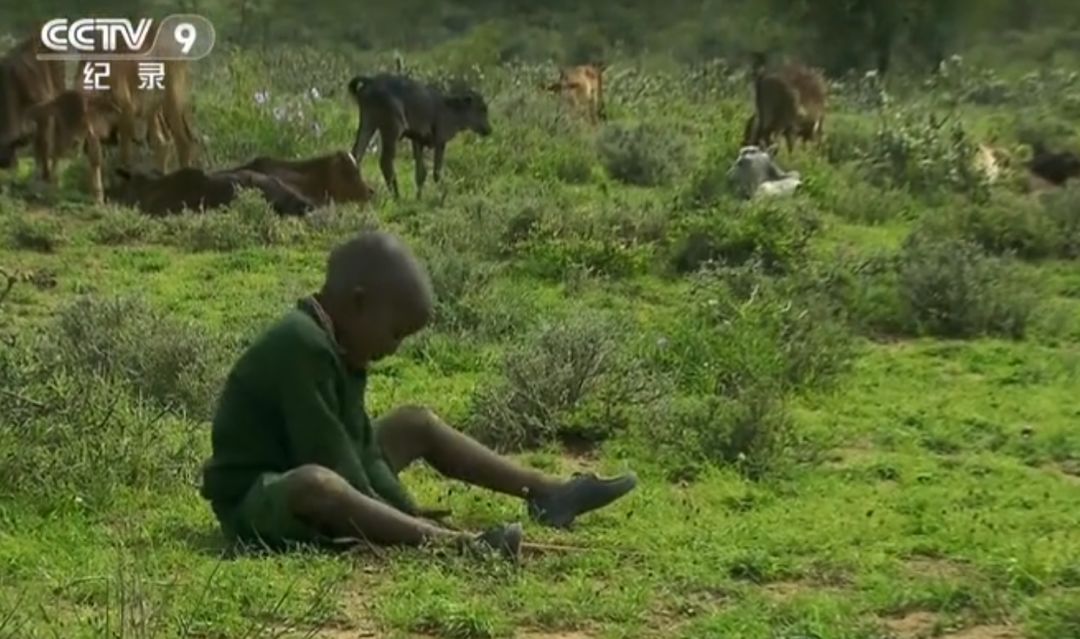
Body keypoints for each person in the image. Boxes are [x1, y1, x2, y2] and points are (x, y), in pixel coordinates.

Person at [199, 231, 638, 561]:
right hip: (256, 499)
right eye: (395, 333)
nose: (395, 348)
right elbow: (333, 457)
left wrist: (399, 507)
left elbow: (363, 449)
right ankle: (460, 548)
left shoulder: (340, 346)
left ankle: (547, 492)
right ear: (358, 303)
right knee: (320, 483)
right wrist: (409, 521)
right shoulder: (301, 345)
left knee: (414, 423)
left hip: (307, 465)